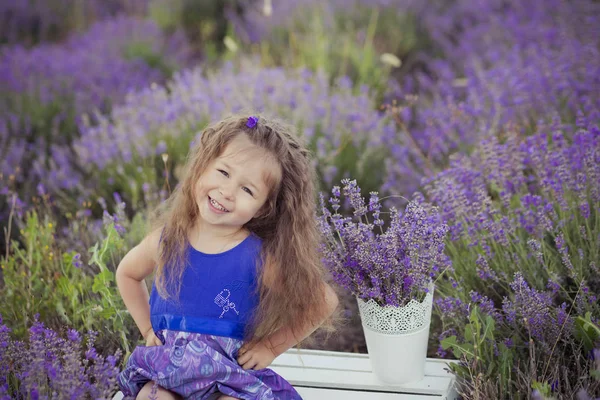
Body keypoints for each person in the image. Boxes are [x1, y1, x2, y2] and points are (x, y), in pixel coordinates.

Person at [116, 114, 339, 399]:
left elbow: (322, 301)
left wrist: (270, 347)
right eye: (223, 172)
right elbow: (127, 273)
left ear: (262, 208)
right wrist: (147, 327)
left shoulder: (258, 257)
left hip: (229, 380)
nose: (227, 191)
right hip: (166, 373)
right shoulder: (168, 240)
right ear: (201, 168)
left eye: (247, 189)